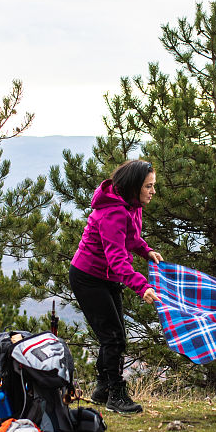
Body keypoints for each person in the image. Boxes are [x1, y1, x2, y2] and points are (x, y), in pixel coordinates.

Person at [69, 160, 162, 414]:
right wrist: (142, 287)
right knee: (113, 337)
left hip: (107, 277)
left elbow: (131, 238)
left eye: (153, 186)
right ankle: (116, 395)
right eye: (148, 186)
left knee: (115, 334)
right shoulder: (113, 212)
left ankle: (102, 389)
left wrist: (147, 251)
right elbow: (117, 259)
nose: (153, 191)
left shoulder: (132, 206)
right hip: (88, 277)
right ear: (134, 187)